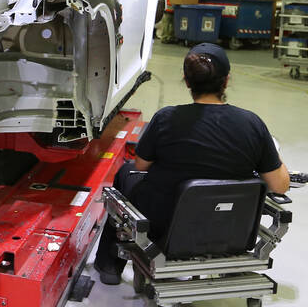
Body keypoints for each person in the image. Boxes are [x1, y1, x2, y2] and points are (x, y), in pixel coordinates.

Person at [94, 42, 289, 285]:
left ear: (187, 82)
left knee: (126, 172)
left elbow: (141, 166)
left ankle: (110, 265)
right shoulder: (252, 124)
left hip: (164, 227)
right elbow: (279, 186)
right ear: (226, 81)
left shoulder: (166, 118)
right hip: (231, 229)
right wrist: (271, 152)